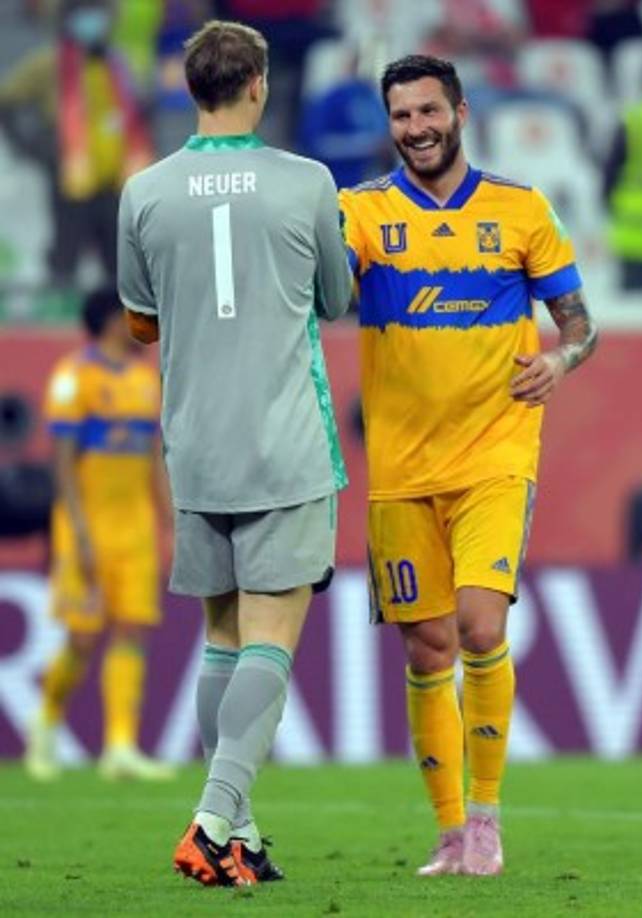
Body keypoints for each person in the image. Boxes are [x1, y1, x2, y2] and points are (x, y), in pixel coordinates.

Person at [339, 55, 598, 877]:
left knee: (482, 627)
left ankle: (485, 819)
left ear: (459, 111)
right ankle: (448, 831)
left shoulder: (520, 209)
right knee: (426, 650)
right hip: (402, 470)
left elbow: (579, 324)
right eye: (400, 116)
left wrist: (559, 362)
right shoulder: (362, 214)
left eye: (427, 111)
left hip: (496, 452)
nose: (415, 128)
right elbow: (319, 291)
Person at [118, 20, 351, 887]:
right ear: (258, 82)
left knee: (222, 637)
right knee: (271, 642)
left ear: (191, 88)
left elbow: (139, 320)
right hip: (283, 445)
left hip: (195, 451)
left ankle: (244, 835)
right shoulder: (305, 181)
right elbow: (335, 297)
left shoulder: (143, 190)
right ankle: (213, 822)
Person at [25, 288, 174, 781]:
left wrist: (170, 516)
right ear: (112, 320)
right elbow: (62, 464)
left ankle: (120, 746)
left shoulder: (143, 380)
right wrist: (79, 534)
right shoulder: (74, 377)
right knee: (84, 637)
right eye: (130, 315)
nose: (139, 324)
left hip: (134, 529)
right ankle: (44, 725)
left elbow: (153, 457)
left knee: (132, 628)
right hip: (85, 528)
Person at [0, 0, 152, 284]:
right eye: (85, 12)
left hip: (117, 182)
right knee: (65, 260)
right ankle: (59, 325)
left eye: (99, 12)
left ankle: (115, 324)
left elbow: (139, 115)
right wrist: (33, 147)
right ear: (68, 18)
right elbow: (7, 100)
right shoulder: (49, 63)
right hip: (71, 180)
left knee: (120, 263)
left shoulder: (119, 64)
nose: (94, 20)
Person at [605, 58, 642, 290]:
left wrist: (610, 203)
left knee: (638, 315)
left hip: (634, 229)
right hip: (634, 228)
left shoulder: (634, 117)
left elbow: (611, 169)